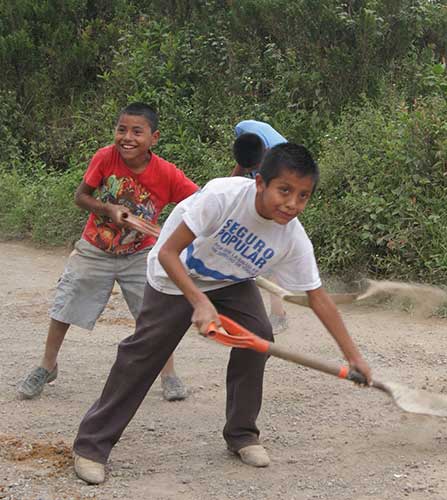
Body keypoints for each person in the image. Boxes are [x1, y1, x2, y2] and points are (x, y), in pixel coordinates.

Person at [72, 142, 372, 484]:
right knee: (144, 354)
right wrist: (199, 301)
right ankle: (91, 446)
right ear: (260, 183)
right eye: (284, 190)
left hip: (230, 280)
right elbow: (169, 253)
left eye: (303, 196)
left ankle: (242, 434)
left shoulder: (292, 238)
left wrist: (354, 357)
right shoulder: (222, 196)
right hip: (174, 273)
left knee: (258, 338)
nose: (292, 203)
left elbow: (320, 300)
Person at [17, 102, 198, 402]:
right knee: (66, 302)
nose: (127, 137)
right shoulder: (105, 157)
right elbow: (81, 197)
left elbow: (198, 203)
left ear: (154, 138)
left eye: (137, 132)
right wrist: (108, 208)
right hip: (96, 248)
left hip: (141, 254)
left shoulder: (167, 174)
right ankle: (47, 365)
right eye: (121, 129)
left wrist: (173, 233)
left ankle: (168, 374)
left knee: (154, 315)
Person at [230, 119, 289, 333]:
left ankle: (279, 314)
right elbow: (242, 161)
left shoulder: (278, 168)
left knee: (269, 255)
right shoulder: (243, 130)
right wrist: (228, 185)